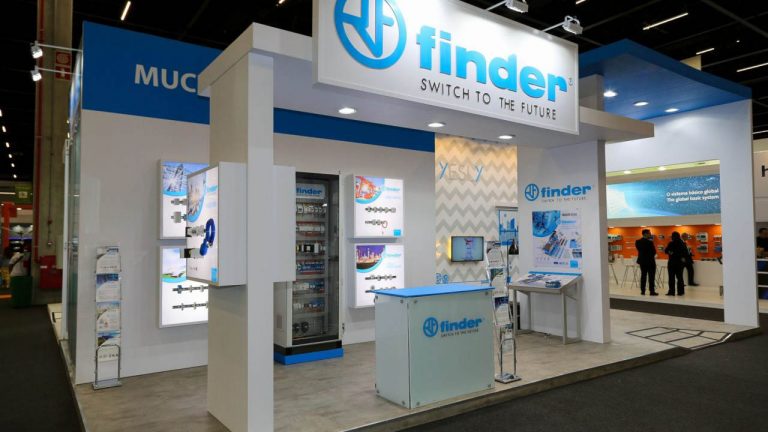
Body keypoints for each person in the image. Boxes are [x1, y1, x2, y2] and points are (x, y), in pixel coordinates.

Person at [634, 229, 658, 296]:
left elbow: (640, 250)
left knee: (643, 276)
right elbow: (654, 252)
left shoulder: (637, 242)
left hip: (642, 262)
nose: (650, 234)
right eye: (649, 233)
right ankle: (652, 291)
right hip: (650, 262)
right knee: (651, 277)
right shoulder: (650, 242)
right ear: (645, 234)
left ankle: (643, 291)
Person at [664, 232, 689, 296]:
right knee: (680, 277)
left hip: (672, 262)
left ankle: (671, 291)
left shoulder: (671, 243)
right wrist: (682, 258)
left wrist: (671, 253)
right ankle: (681, 292)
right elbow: (686, 253)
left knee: (671, 278)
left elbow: (666, 251)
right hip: (679, 263)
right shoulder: (682, 243)